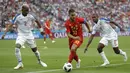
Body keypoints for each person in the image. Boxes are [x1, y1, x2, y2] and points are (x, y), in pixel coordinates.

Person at [1, 4, 47, 69]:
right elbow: (10, 25)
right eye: (26, 10)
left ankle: (39, 61)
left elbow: (38, 22)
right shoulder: (18, 17)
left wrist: (41, 30)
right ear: (22, 10)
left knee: (35, 50)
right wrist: (4, 34)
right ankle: (20, 63)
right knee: (17, 48)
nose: (27, 12)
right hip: (21, 35)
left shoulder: (31, 16)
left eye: (28, 10)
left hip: (29, 35)